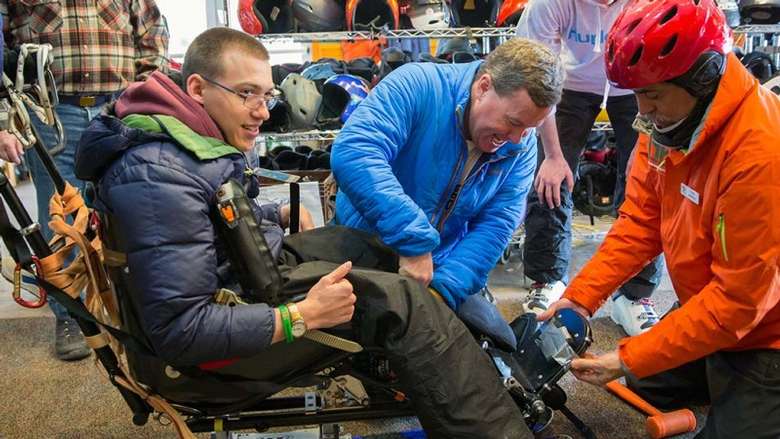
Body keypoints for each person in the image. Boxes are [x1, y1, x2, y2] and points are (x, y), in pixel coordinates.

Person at [74, 27, 533, 438]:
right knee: (406, 306)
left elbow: (202, 222)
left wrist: (271, 218)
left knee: (372, 249)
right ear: (196, 88)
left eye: (266, 96)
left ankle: (441, 377)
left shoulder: (178, 146)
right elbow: (181, 332)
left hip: (248, 280)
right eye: (246, 94)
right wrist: (305, 316)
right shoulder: (158, 175)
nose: (261, 112)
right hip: (203, 356)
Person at [540, 0, 780, 436]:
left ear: (703, 77)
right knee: (641, 380)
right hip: (708, 307)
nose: (642, 110)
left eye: (651, 95)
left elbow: (740, 302)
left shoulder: (761, 153)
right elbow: (639, 224)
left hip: (767, 331)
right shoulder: (669, 127)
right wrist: (580, 298)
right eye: (636, 94)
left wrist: (629, 356)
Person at [331, 38, 564, 309]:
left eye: (528, 129)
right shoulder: (418, 86)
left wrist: (444, 291)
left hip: (441, 267)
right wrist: (414, 241)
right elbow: (355, 151)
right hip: (362, 251)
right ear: (484, 87)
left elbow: (497, 223)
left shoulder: (521, 147)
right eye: (512, 123)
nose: (516, 139)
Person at [0, 0, 169, 361]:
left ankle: (133, 308)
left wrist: (142, 93)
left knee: (132, 209)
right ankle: (73, 318)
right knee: (61, 223)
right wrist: (3, 119)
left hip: (118, 106)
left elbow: (152, 32)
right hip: (48, 109)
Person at [515, 0, 663, 335]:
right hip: (566, 84)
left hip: (636, 80)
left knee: (651, 184)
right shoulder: (549, 4)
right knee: (549, 178)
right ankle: (548, 278)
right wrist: (554, 156)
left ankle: (635, 295)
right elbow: (538, 79)